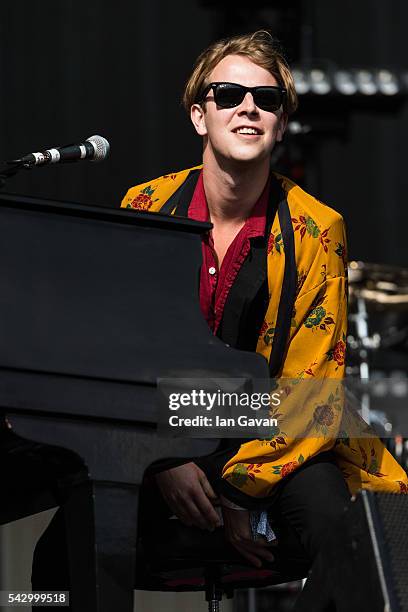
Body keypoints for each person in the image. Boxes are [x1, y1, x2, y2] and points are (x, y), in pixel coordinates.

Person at [33, 31, 407, 610]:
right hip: (161, 431)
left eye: (268, 98)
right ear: (198, 115)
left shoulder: (316, 228)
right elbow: (120, 356)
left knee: (347, 530)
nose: (248, 107)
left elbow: (313, 388)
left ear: (281, 124)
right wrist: (164, 458)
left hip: (273, 429)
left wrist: (238, 490)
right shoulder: (145, 205)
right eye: (228, 93)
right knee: (57, 563)